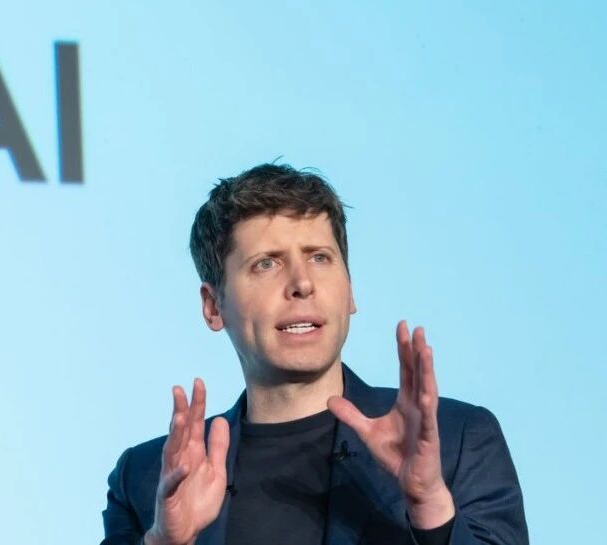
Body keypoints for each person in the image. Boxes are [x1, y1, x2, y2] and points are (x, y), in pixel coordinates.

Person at [99, 164, 527, 545]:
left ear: (350, 290)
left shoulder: (458, 439)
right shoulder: (147, 476)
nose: (302, 284)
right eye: (267, 263)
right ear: (213, 306)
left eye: (320, 258)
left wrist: (431, 504)